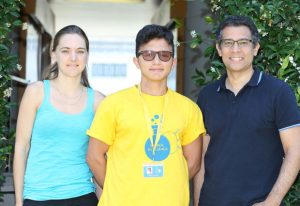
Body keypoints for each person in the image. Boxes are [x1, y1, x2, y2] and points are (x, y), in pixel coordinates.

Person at [86, 24, 206, 206]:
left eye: (164, 55)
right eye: (148, 55)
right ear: (136, 61)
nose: (156, 61)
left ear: (173, 62)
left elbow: (193, 163)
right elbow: (94, 157)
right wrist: (120, 187)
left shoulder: (189, 109)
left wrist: (163, 185)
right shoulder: (113, 104)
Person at [194, 15, 300, 206]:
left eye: (243, 42)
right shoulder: (207, 96)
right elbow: (202, 157)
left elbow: (295, 150)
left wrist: (272, 201)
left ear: (256, 47)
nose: (235, 49)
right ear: (219, 49)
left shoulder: (278, 92)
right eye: (228, 42)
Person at [13, 25, 105, 206]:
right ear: (54, 55)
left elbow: (100, 157)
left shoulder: (98, 102)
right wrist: (18, 201)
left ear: (87, 56)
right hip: (37, 197)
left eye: (80, 51)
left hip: (83, 196)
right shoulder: (36, 93)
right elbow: (21, 147)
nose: (73, 58)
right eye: (65, 51)